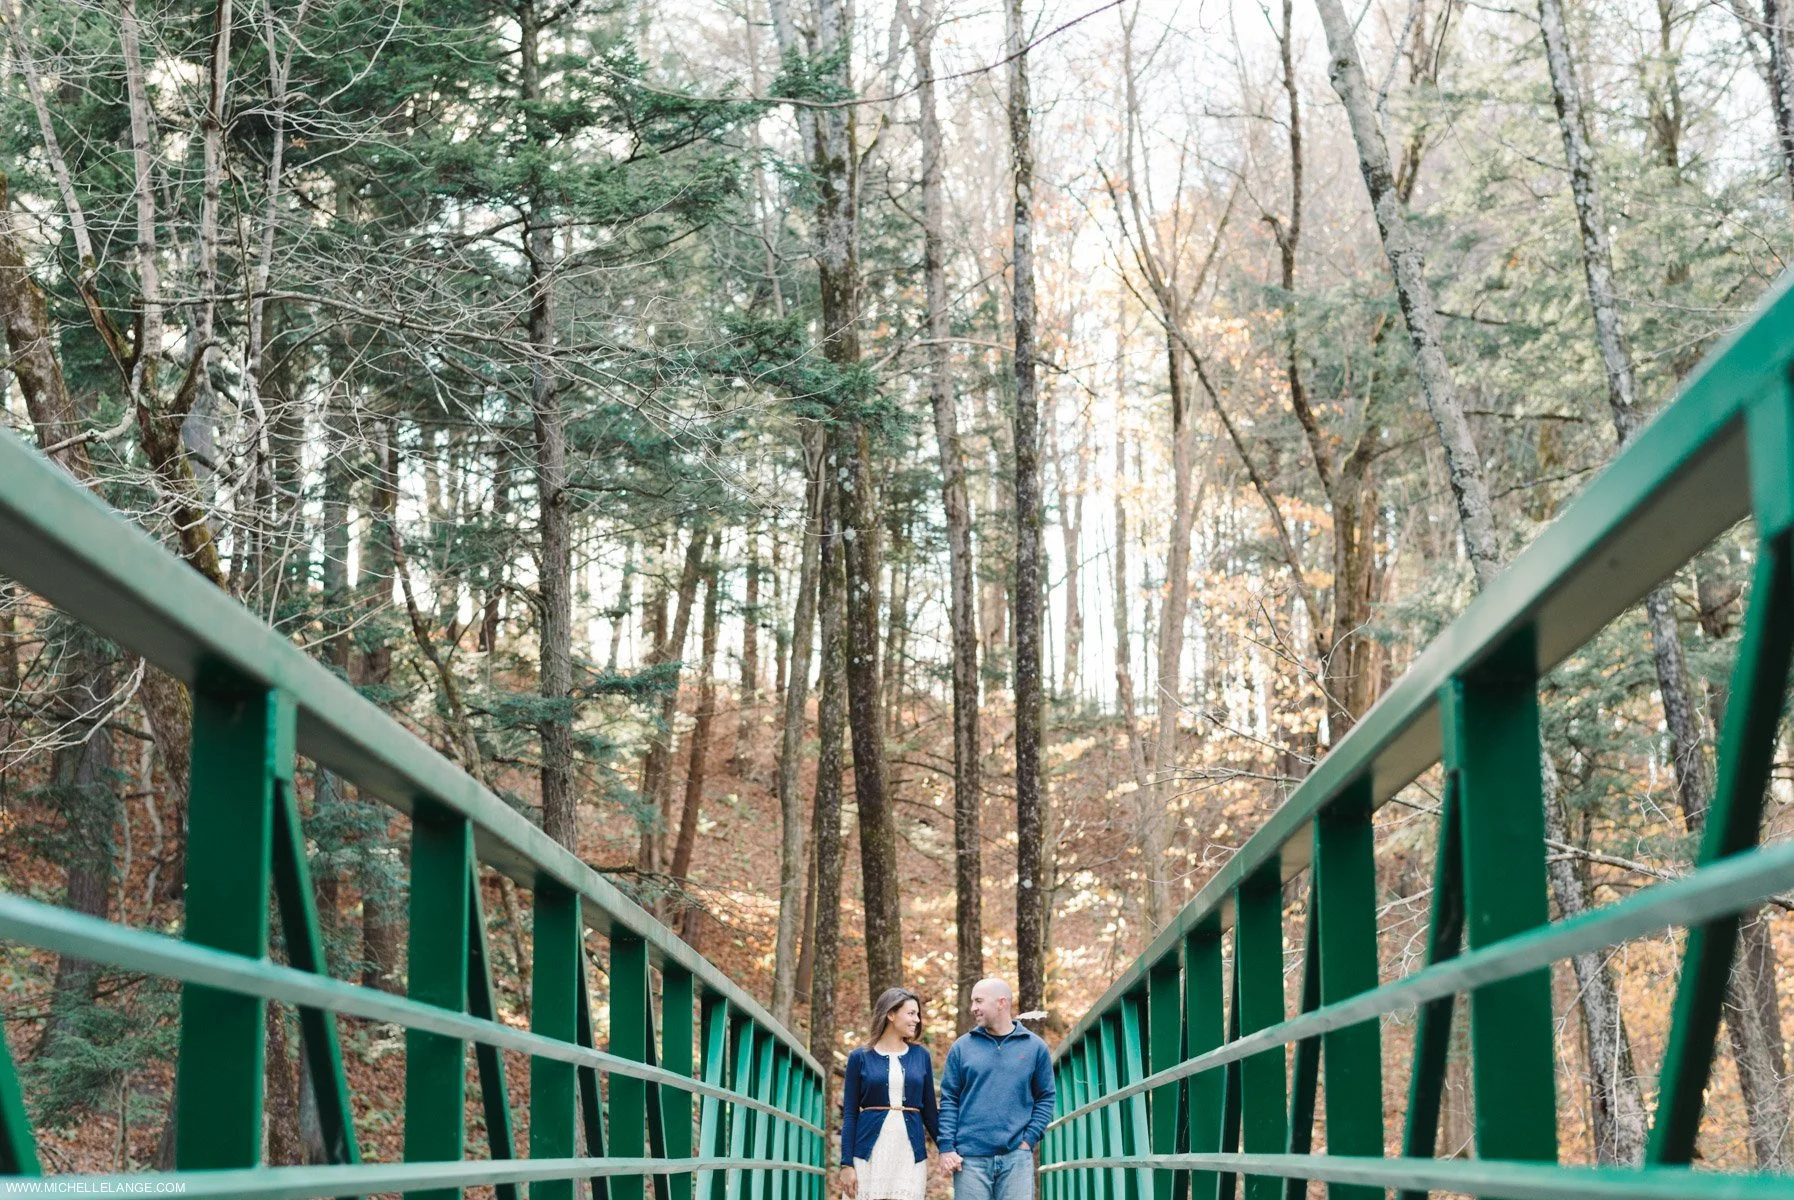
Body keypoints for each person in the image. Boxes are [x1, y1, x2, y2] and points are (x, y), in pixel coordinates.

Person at [937, 978, 1054, 1200]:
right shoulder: (962, 1047)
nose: (973, 1008)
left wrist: (1028, 1140)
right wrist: (946, 1147)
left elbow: (1046, 1097)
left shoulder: (1034, 1047)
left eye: (979, 1001)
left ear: (1002, 1002)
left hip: (1016, 1157)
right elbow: (949, 1099)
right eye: (972, 1002)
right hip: (970, 1159)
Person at [839, 987, 940, 1200]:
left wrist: (948, 1149)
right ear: (891, 1014)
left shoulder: (921, 1055)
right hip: (870, 1153)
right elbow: (849, 1115)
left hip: (909, 1152)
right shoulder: (859, 1057)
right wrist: (846, 1164)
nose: (917, 1020)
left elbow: (930, 1113)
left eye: (918, 1014)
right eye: (911, 1013)